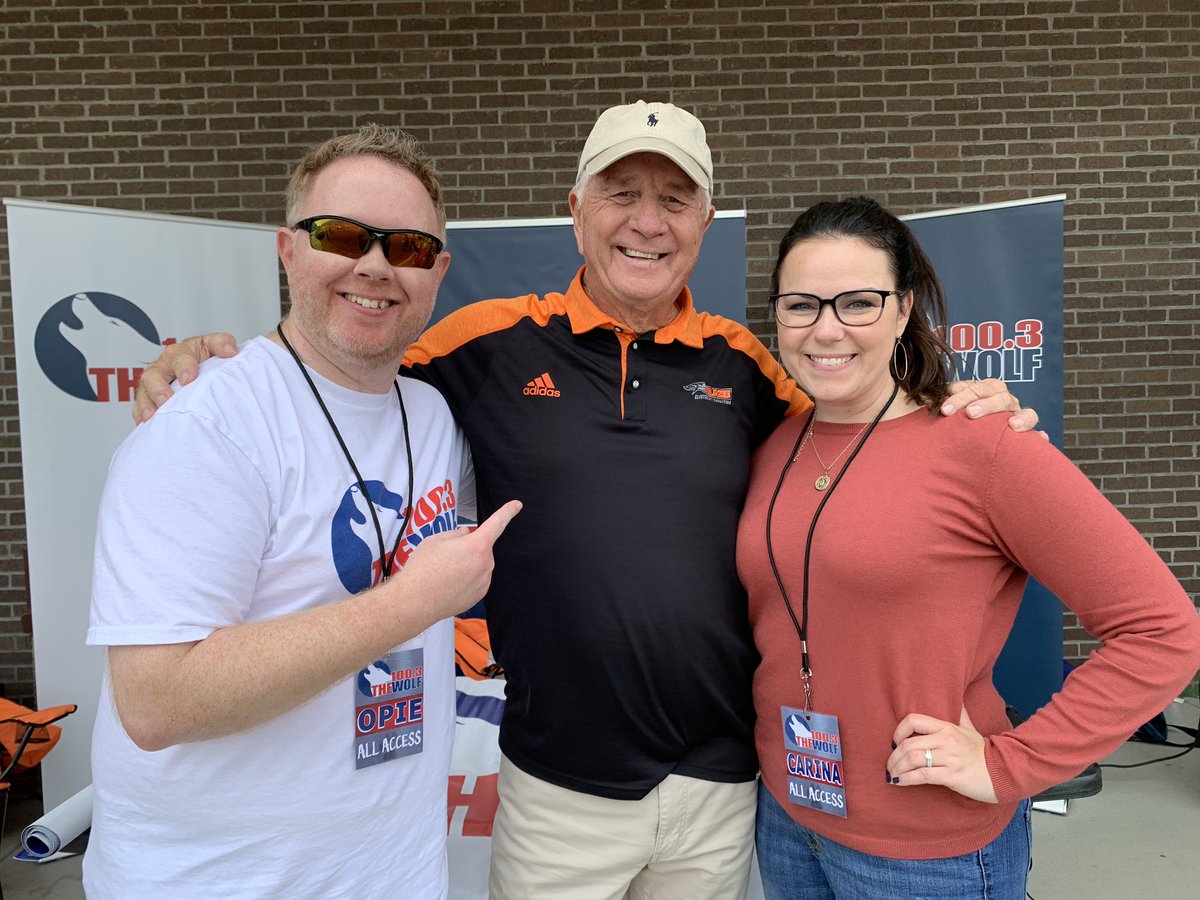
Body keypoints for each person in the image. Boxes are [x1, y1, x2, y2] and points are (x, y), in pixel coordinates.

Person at [130, 102, 1036, 900]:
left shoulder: (746, 364)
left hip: (720, 786)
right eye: (620, 193)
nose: (647, 221)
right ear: (576, 209)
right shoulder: (484, 343)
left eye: (675, 198)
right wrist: (211, 359)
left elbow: (867, 434)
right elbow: (341, 357)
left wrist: (959, 414)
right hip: (557, 789)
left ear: (705, 222)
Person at [84, 125, 522, 900]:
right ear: (288, 250)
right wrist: (414, 602)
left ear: (438, 271)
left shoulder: (433, 415)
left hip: (395, 875)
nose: (375, 266)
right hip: (217, 884)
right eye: (341, 236)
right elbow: (156, 702)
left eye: (408, 247)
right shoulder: (205, 424)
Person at [736, 196, 1200, 899]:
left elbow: (1163, 631)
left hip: (929, 851)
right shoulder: (774, 445)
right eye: (801, 305)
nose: (826, 329)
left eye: (858, 303)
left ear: (903, 309)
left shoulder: (984, 445)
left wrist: (1011, 765)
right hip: (787, 817)